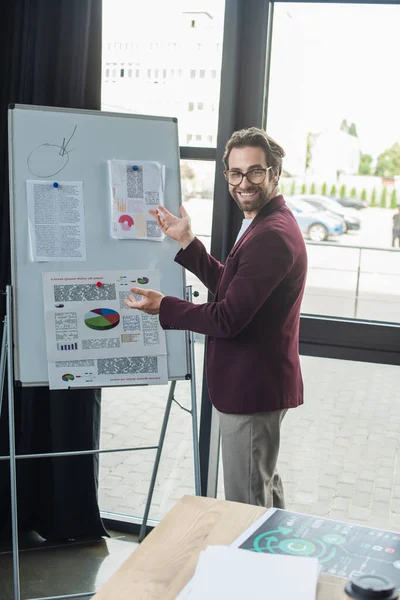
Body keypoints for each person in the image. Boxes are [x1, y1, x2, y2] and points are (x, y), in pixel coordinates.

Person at [124, 127, 308, 509]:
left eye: (255, 172)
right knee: (263, 490)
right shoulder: (266, 223)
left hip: (252, 390)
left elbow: (227, 317)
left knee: (246, 506)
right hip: (258, 386)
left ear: (275, 173)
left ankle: (257, 569)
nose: (244, 183)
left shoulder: (272, 234)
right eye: (235, 173)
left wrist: (167, 306)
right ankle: (277, 564)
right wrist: (188, 244)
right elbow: (234, 288)